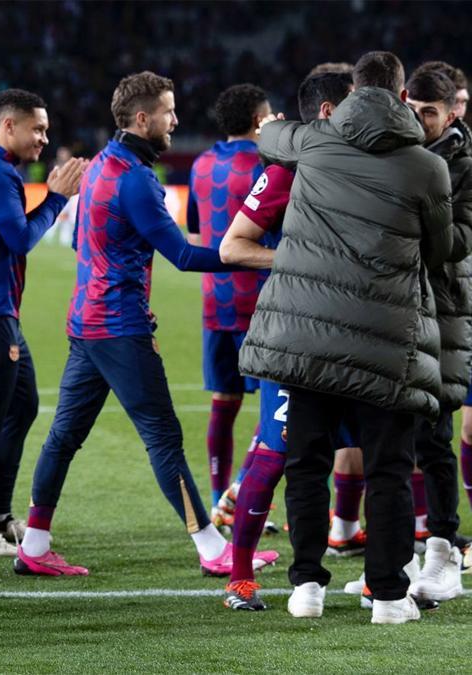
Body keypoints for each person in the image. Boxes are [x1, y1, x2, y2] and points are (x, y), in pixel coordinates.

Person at [15, 71, 274, 580]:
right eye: (169, 112)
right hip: (119, 326)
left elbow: (77, 246)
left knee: (64, 436)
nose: (176, 120)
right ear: (143, 118)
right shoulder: (135, 178)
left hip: (86, 321)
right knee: (163, 437)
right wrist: (260, 257)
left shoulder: (100, 170)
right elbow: (181, 254)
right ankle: (210, 547)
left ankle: (34, 543)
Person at [239, 51, 452, 624]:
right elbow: (438, 251)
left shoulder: (312, 141)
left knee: (306, 462)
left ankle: (306, 586)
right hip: (385, 341)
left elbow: (270, 134)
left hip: (305, 334)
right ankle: (386, 595)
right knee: (388, 468)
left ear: (353, 92)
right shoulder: (427, 168)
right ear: (404, 98)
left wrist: (280, 126)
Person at [217, 70, 354, 611]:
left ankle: (382, 576)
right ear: (326, 112)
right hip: (298, 336)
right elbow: (231, 248)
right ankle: (241, 577)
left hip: (358, 336)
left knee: (376, 451)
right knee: (276, 455)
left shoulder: (369, 169)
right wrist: (306, 266)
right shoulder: (284, 173)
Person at [0, 88, 86, 557]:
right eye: (38, 129)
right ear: (9, 126)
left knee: (22, 406)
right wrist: (56, 197)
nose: (45, 138)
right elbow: (20, 237)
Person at [184, 84, 270, 516]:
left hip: (215, 303)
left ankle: (220, 497)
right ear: (259, 120)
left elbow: (196, 238)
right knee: (280, 403)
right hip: (260, 303)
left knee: (224, 401)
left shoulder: (200, 164)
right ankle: (242, 489)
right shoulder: (267, 165)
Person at [403, 67, 472, 602]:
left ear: (453, 111)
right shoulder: (400, 150)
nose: (422, 119)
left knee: (436, 438)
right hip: (399, 314)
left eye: (432, 111)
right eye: (415, 108)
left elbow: (456, 244)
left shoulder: (464, 164)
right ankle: (399, 559)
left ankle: (445, 553)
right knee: (393, 440)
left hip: (445, 316)